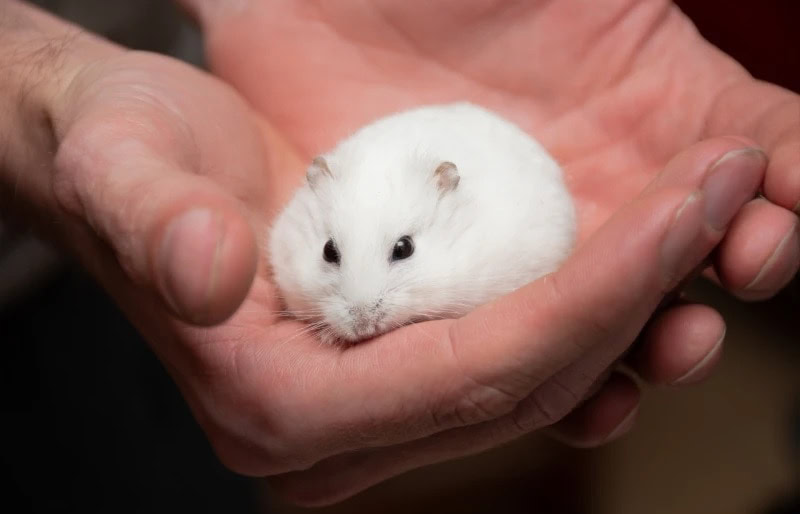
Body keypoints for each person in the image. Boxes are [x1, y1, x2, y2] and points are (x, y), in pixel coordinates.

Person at [1, 0, 798, 506]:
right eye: (337, 260)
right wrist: (32, 89)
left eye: (403, 253)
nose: (361, 305)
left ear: (447, 203)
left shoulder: (494, 212)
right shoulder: (306, 220)